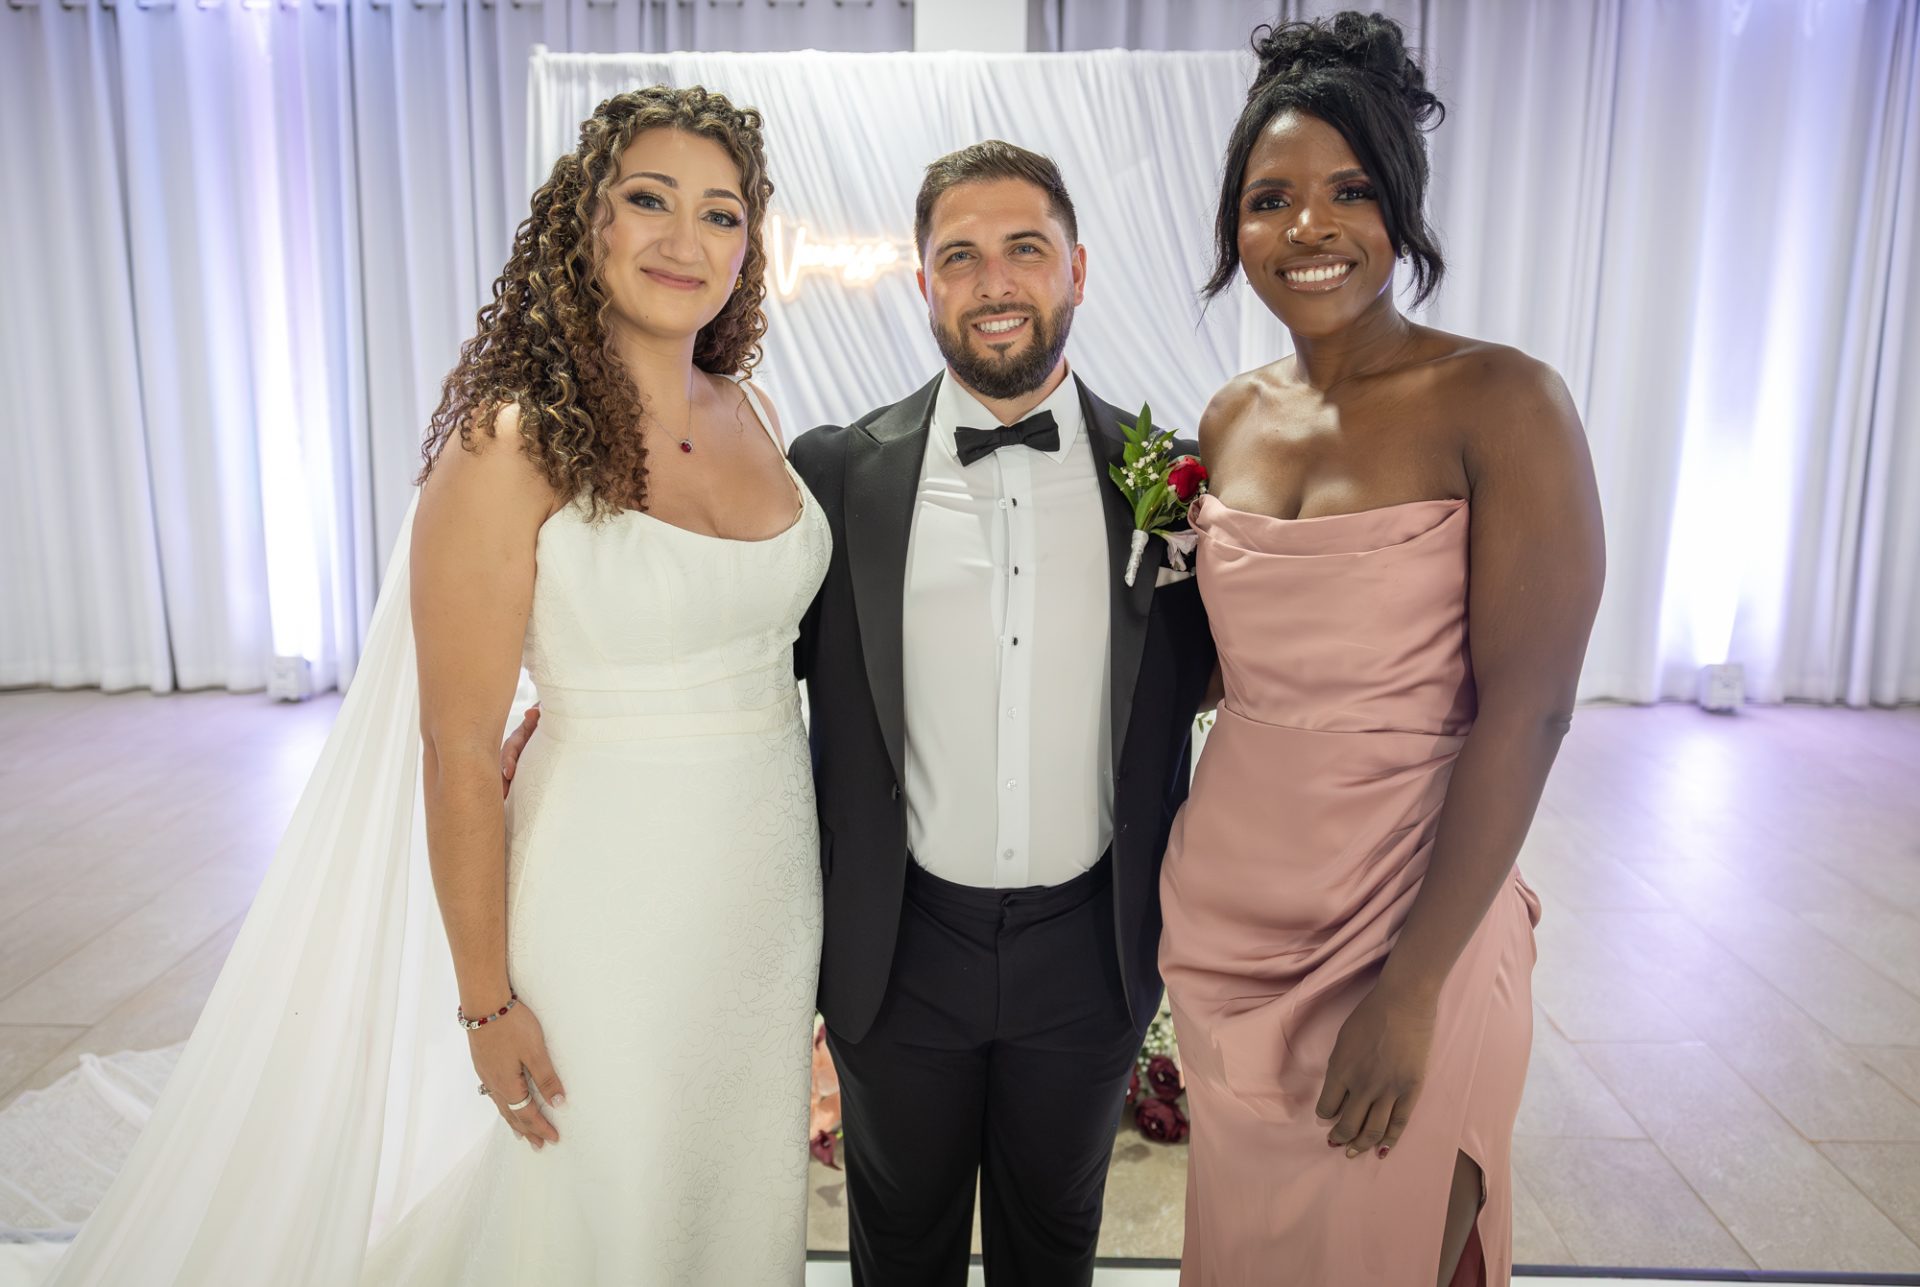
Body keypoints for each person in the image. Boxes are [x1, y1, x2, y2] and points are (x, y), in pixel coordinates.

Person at [9, 85, 825, 1287]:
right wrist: (487, 1005)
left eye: (720, 214)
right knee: (594, 1193)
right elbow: (456, 747)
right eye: (649, 199)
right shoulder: (510, 444)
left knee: (728, 1188)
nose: (683, 240)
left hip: (768, 887)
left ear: (749, 248)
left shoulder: (756, 411)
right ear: (586, 222)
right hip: (604, 893)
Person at [1157, 13, 1604, 1287]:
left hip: (1416, 918)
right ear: (1235, 227)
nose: (1310, 226)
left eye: (1350, 191)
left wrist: (1411, 992)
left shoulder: (1503, 403)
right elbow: (1214, 661)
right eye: (1270, 199)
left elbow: (1531, 712)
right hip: (1233, 924)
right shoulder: (1229, 420)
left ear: (1402, 212)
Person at [791, 141, 1217, 1286]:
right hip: (898, 951)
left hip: (1091, 954)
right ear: (922, 281)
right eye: (960, 256)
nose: (994, 283)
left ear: (1076, 267)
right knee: (899, 1256)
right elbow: (745, 678)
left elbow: (1239, 680)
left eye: (1025, 249)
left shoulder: (1170, 479)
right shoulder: (835, 476)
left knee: (1053, 1253)